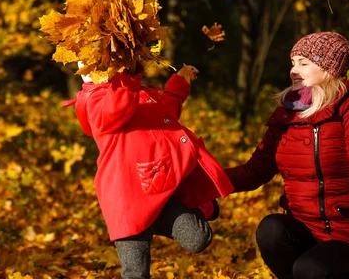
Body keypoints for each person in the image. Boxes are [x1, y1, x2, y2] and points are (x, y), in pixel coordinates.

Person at [225, 32, 349, 279]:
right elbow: (253, 171)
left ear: (329, 69)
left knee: (311, 269)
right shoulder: (287, 115)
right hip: (307, 233)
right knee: (271, 229)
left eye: (304, 63)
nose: (293, 70)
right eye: (293, 63)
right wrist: (203, 182)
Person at [64, 62, 234, 279]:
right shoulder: (95, 101)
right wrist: (129, 81)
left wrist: (179, 83)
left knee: (199, 238)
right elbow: (115, 107)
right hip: (127, 203)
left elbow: (166, 113)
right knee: (135, 272)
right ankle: (191, 202)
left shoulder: (138, 91)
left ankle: (196, 202)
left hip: (159, 191)